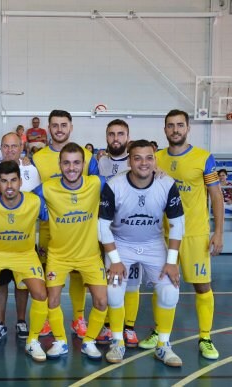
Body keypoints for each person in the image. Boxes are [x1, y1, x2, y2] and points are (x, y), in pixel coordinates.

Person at [99, 140, 184, 366]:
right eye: (137, 158)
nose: (143, 163)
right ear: (129, 161)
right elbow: (102, 226)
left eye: (149, 158)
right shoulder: (114, 185)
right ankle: (117, 342)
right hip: (122, 243)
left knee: (170, 290)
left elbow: (177, 224)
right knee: (114, 289)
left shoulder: (166, 184)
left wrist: (172, 261)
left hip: (153, 244)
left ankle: (163, 345)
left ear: (155, 160)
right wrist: (115, 260)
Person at [152, 109, 224, 360]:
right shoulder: (156, 157)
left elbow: (216, 196)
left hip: (195, 233)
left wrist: (218, 232)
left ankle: (205, 336)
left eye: (179, 125)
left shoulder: (204, 158)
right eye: (170, 125)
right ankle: (160, 333)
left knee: (202, 286)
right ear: (165, 130)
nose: (175, 130)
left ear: (187, 128)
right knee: (162, 285)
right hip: (163, 234)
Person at [0, 160, 49, 362]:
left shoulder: (35, 202)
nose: (9, 186)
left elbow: (51, 218)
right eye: (4, 181)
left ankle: (33, 341)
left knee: (40, 293)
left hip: (24, 253)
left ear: (21, 181)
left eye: (13, 180)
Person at [36, 142, 108, 360]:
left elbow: (127, 182)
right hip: (58, 255)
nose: (71, 168)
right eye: (66, 163)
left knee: (102, 302)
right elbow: (21, 199)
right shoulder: (47, 187)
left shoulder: (97, 183)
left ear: (84, 164)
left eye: (76, 163)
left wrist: (155, 171)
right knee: (53, 301)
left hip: (90, 255)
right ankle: (61, 341)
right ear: (59, 164)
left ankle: (89, 342)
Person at [32, 110, 99, 339]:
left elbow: (95, 190)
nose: (59, 129)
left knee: (79, 275)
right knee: (47, 276)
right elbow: (31, 194)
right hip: (49, 228)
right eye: (55, 125)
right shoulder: (37, 157)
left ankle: (79, 318)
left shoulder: (87, 157)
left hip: (80, 228)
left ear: (71, 127)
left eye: (63, 125)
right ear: (48, 128)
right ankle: (49, 319)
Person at [0, 132, 41, 341]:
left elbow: (38, 199)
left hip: (24, 242)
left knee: (23, 284)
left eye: (14, 146)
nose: (10, 150)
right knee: (0, 283)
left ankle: (21, 321)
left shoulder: (31, 170)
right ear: (0, 148)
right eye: (6, 146)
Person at [96, 119, 141, 347]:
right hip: (106, 232)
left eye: (120, 134)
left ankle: (129, 327)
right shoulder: (99, 163)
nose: (116, 138)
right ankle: (107, 324)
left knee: (132, 282)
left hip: (133, 232)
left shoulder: (138, 162)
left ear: (127, 137)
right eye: (112, 134)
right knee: (109, 281)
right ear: (106, 137)